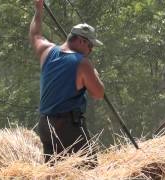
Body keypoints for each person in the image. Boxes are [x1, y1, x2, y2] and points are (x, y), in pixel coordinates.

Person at [29, 0, 104, 165]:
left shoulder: (47, 51)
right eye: (90, 46)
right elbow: (98, 94)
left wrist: (38, 10)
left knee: (56, 173)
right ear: (81, 41)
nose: (90, 50)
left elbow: (35, 34)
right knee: (89, 171)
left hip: (45, 125)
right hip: (67, 126)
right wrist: (95, 73)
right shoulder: (82, 63)